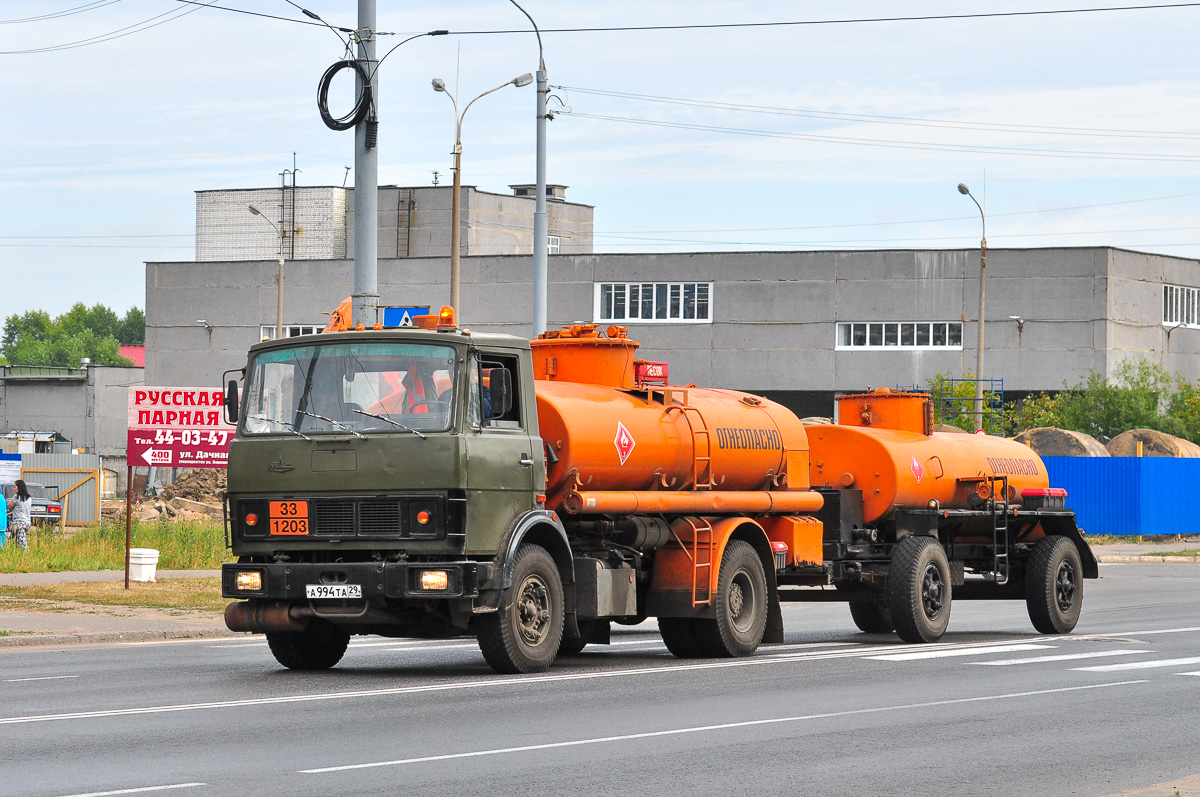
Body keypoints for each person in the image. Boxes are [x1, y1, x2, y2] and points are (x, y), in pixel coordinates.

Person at [7, 479, 31, 551]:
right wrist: (12, 513)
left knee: (21, 542)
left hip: (18, 523)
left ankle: (26, 555)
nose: (14, 489)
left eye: (15, 487)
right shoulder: (29, 498)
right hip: (26, 522)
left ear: (19, 487)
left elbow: (9, 506)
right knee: (20, 540)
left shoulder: (16, 497)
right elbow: (22, 510)